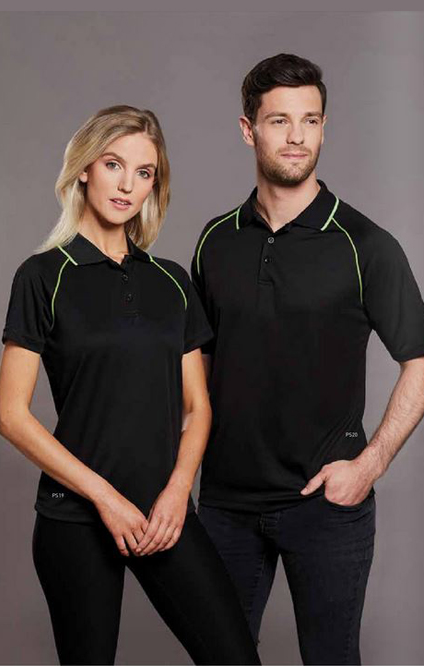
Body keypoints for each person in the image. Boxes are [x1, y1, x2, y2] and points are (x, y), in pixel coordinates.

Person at [0, 105, 261, 666]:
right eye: (114, 164)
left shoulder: (172, 281)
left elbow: (199, 407)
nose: (127, 185)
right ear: (85, 169)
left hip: (163, 511)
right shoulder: (42, 276)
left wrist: (178, 490)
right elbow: (10, 415)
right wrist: (106, 498)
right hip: (77, 516)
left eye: (144, 173)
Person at [190, 53, 424, 665]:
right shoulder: (215, 241)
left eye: (310, 120)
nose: (297, 137)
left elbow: (421, 360)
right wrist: (180, 470)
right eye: (280, 121)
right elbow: (200, 370)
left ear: (324, 128)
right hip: (225, 504)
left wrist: (370, 464)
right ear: (249, 130)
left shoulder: (365, 245)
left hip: (326, 506)